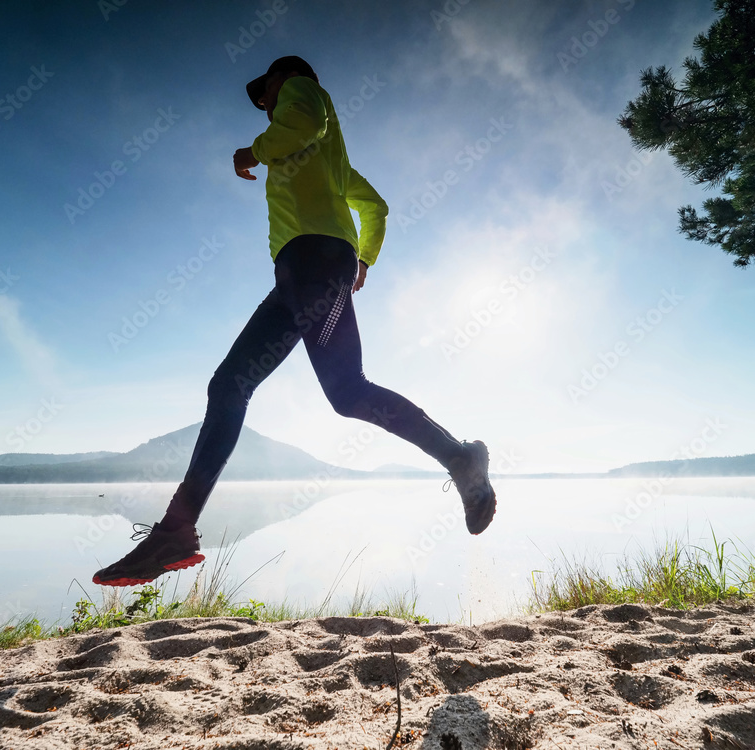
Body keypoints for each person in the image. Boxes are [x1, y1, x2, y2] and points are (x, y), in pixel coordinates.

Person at [93, 56, 496, 587]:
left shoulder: (302, 97)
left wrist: (251, 150)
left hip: (312, 264)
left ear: (288, 79)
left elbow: (304, 122)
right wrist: (365, 259)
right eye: (263, 98)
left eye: (267, 90)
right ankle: (176, 532)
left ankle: (177, 529)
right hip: (304, 272)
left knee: (273, 386)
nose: (264, 103)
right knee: (273, 387)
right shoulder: (326, 160)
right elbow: (375, 206)